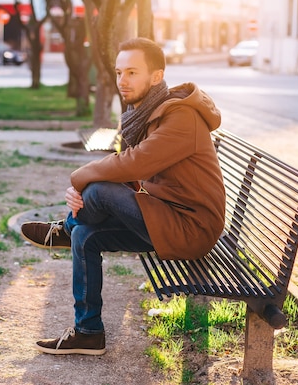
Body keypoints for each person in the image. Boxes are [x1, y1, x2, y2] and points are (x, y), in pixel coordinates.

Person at [20, 37, 226, 356]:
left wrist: (79, 180)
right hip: (166, 216)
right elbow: (130, 172)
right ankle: (88, 332)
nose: (122, 81)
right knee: (87, 236)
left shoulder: (180, 118)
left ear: (156, 76)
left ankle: (65, 228)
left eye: (132, 72)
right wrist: (85, 189)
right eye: (118, 72)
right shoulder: (146, 113)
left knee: (98, 189)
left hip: (190, 228)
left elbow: (136, 162)